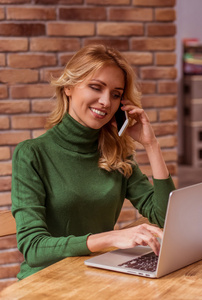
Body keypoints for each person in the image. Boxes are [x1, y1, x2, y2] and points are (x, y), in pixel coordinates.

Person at [11, 44, 176, 280]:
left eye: (116, 94)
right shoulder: (32, 154)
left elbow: (166, 218)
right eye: (96, 88)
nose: (106, 102)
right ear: (69, 87)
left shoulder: (116, 153)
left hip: (98, 275)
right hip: (46, 282)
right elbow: (33, 248)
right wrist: (112, 237)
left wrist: (151, 145)